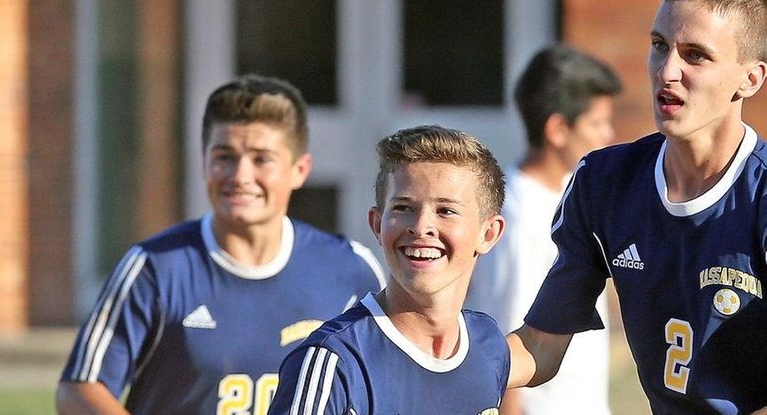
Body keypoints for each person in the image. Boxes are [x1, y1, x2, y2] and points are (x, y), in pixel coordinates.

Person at [56, 74, 386, 415]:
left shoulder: (351, 269)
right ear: (203, 162)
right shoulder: (155, 267)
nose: (240, 176)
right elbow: (80, 389)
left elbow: (389, 382)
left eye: (262, 159)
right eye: (224, 156)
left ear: (299, 169)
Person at [505, 0, 767, 414]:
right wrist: (443, 358)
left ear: (750, 78)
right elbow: (540, 346)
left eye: (695, 55)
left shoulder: (759, 196)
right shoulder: (603, 181)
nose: (667, 71)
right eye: (659, 46)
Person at [267, 125, 509, 414]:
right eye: (403, 208)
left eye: (446, 211)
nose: (421, 228)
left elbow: (543, 348)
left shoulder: (487, 344)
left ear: (489, 234)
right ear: (377, 225)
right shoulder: (334, 363)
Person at [467, 44, 621, 415]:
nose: (609, 135)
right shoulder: (516, 218)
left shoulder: (576, 198)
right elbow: (501, 346)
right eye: (597, 124)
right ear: (557, 129)